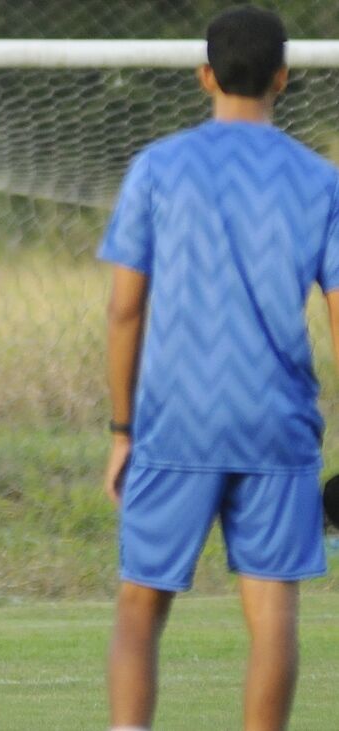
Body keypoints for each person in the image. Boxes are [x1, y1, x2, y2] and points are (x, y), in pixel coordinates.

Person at [99, 7, 335, 730]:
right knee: (272, 612)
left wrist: (121, 428)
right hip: (276, 421)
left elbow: (124, 311)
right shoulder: (319, 180)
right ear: (283, 78)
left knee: (141, 605)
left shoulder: (158, 167)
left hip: (176, 419)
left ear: (206, 76)